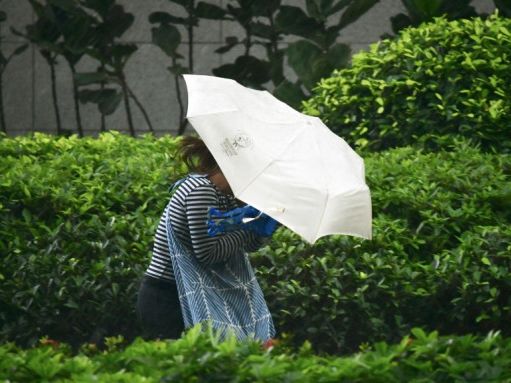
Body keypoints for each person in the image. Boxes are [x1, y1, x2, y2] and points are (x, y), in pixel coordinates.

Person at [136, 136, 278, 341]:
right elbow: (208, 253)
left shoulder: (226, 196)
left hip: (196, 296)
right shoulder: (200, 190)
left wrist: (265, 221)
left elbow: (249, 246)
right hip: (168, 298)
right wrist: (248, 229)